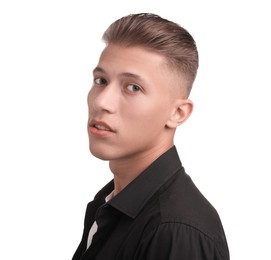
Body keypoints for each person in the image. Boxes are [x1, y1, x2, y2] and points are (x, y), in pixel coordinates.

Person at [72, 13, 230, 260]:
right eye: (101, 80)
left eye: (133, 87)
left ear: (178, 113)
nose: (102, 102)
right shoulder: (110, 204)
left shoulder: (174, 231)